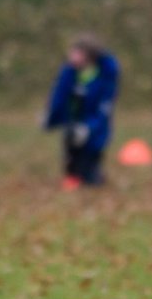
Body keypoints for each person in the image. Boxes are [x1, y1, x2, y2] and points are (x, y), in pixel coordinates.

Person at [43, 34, 119, 190]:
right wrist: (50, 119)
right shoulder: (69, 72)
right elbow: (59, 96)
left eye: (76, 52)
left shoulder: (104, 75)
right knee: (71, 158)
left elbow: (103, 109)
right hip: (72, 124)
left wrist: (88, 128)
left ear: (88, 55)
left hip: (94, 130)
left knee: (90, 167)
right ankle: (73, 176)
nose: (72, 56)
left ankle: (94, 178)